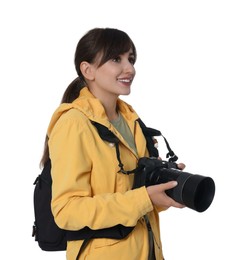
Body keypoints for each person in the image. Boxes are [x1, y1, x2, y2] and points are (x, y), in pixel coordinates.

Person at [40, 27, 185, 260]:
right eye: (116, 59)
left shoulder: (131, 120)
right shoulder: (74, 123)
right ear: (87, 70)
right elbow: (67, 211)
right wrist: (145, 198)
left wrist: (163, 190)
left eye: (131, 59)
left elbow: (131, 199)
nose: (130, 68)